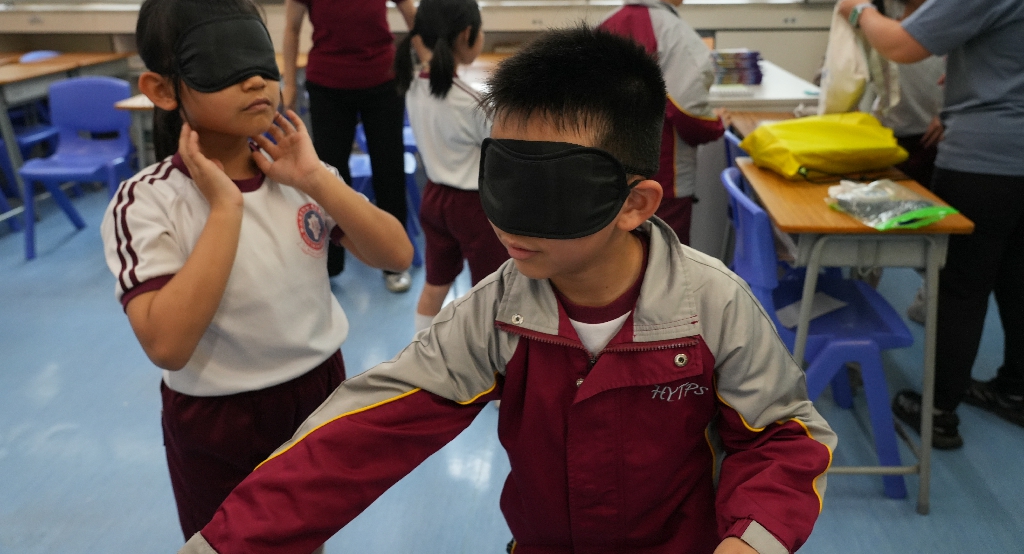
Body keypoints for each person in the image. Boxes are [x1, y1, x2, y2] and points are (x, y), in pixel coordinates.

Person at [179, 27, 836, 554]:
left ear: (634, 204)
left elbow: (783, 437)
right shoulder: (496, 313)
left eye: (551, 191)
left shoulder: (713, 307)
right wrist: (221, 543)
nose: (513, 223)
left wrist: (750, 541)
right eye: (504, 179)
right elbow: (360, 434)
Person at [100, 0, 413, 541]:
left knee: (308, 534)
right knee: (232, 543)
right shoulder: (147, 201)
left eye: (262, 64)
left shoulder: (300, 175)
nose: (255, 82)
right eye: (222, 67)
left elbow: (396, 252)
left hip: (320, 391)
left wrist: (316, 179)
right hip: (219, 415)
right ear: (163, 90)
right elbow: (167, 344)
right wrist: (225, 207)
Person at [839, 0, 1024, 448]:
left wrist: (856, 10)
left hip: (987, 157)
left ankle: (938, 411)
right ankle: (1015, 389)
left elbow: (900, 45)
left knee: (961, 285)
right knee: (1017, 276)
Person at [283, 0, 417, 292]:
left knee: (389, 170)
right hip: (328, 85)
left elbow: (415, 19)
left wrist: (432, 62)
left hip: (382, 83)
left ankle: (393, 262)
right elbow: (291, 28)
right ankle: (329, 262)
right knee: (328, 175)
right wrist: (289, 85)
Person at [598, 0, 725, 246]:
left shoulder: (601, 29)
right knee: (664, 262)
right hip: (662, 184)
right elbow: (691, 119)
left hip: (602, 175)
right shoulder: (683, 41)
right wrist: (718, 123)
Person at [848, 0, 954, 305]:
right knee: (872, 233)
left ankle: (930, 295)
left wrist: (950, 112)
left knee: (933, 228)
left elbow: (969, 73)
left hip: (932, 141)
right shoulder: (879, 21)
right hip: (885, 141)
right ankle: (864, 300)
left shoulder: (954, 19)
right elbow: (850, 72)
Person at [394, 0, 509, 334]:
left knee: (435, 284)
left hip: (434, 198)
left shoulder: (414, 86)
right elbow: (504, 149)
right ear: (466, 35)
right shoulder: (472, 101)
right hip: (474, 207)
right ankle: (487, 355)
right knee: (490, 290)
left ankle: (419, 350)